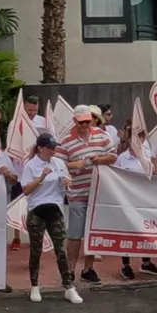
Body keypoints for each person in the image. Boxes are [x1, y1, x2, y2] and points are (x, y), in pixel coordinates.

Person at [56, 104, 116, 284]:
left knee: (93, 233)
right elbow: (57, 166)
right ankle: (70, 271)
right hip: (77, 193)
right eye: (81, 122)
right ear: (74, 121)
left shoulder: (102, 135)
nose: (84, 125)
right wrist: (72, 165)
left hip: (98, 194)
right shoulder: (65, 140)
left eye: (87, 122)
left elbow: (113, 156)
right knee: (75, 235)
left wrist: (100, 159)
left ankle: (88, 269)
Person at [22, 134, 82, 304]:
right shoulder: (31, 165)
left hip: (55, 208)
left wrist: (68, 182)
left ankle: (69, 287)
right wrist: (40, 178)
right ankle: (34, 286)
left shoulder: (59, 163)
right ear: (40, 148)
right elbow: (26, 190)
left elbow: (67, 180)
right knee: (36, 250)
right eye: (50, 148)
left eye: (54, 147)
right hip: (37, 209)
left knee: (61, 250)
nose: (53, 151)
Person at [112, 134, 157, 279]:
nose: (137, 141)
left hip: (145, 201)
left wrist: (153, 159)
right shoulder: (122, 158)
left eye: (140, 137)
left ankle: (146, 263)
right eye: (133, 137)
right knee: (126, 233)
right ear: (128, 140)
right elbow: (114, 177)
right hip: (127, 201)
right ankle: (125, 265)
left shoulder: (147, 155)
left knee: (145, 232)